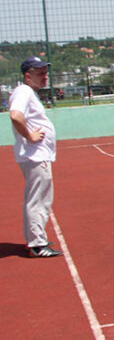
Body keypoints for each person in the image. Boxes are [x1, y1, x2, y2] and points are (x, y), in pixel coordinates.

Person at [9, 56, 62, 258]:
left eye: (45, 73)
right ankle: (37, 244)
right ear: (28, 75)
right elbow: (15, 115)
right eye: (40, 73)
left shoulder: (29, 92)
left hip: (37, 155)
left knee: (41, 198)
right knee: (38, 199)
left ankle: (37, 238)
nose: (45, 77)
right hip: (35, 155)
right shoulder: (23, 91)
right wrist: (30, 136)